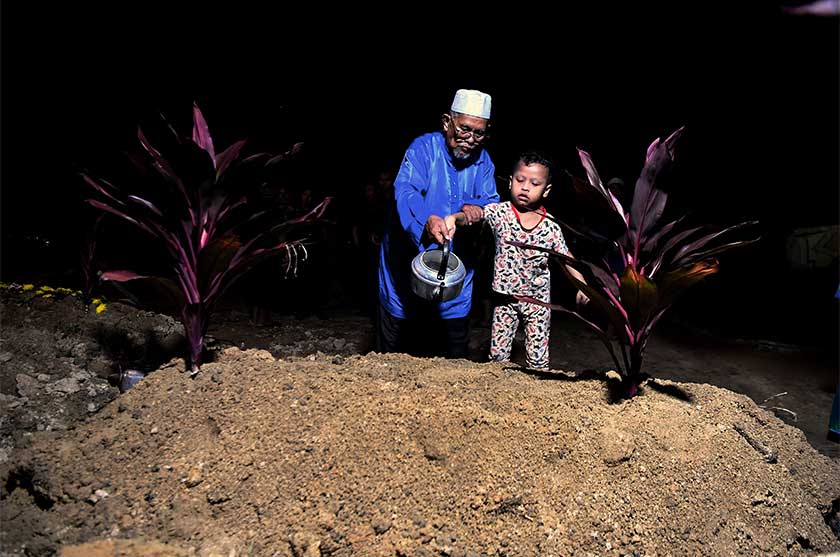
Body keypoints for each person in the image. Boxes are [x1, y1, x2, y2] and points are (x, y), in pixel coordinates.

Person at [377, 89, 500, 357]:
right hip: (406, 267)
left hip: (456, 270)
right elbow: (406, 190)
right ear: (447, 122)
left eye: (479, 133)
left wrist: (478, 211)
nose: (470, 139)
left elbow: (491, 202)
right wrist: (426, 220)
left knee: (451, 353)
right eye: (465, 129)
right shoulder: (422, 149)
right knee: (395, 352)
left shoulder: (484, 162)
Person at [445, 151, 586, 371]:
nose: (525, 187)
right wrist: (455, 218)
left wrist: (581, 285)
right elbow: (475, 216)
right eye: (520, 180)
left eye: (535, 183)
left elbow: (566, 257)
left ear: (546, 190)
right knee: (497, 358)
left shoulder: (550, 227)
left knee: (538, 361)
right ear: (511, 181)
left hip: (538, 303)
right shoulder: (500, 213)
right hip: (504, 300)